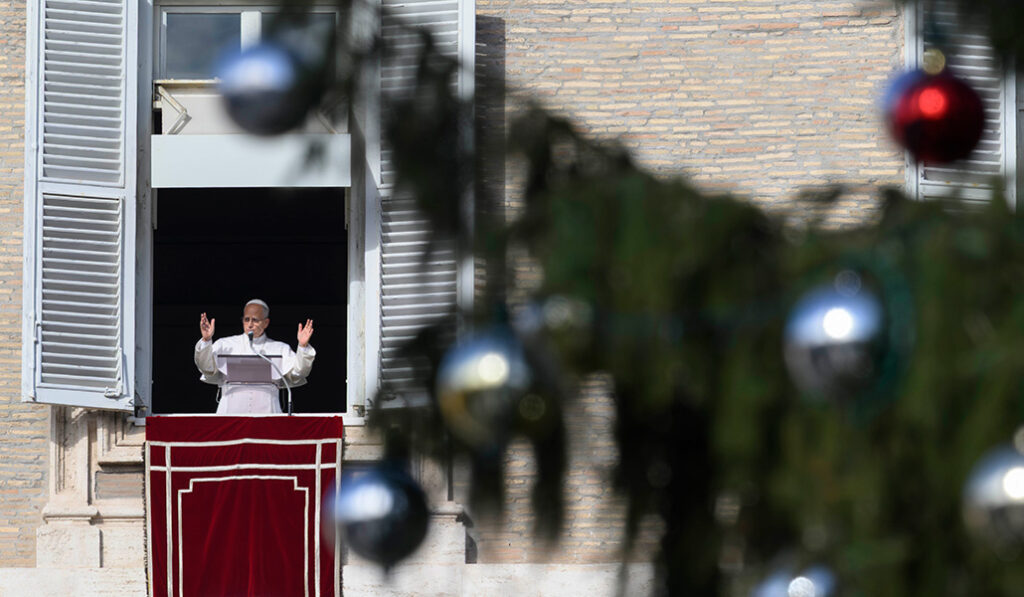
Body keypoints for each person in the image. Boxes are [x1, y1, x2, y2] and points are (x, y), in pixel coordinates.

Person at [194, 299, 316, 414]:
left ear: (266, 322)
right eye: (246, 319)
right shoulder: (225, 344)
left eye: (255, 320)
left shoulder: (280, 348)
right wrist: (206, 340)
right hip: (230, 412)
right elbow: (207, 368)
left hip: (268, 413)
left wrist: (303, 347)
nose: (250, 324)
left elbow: (298, 373)